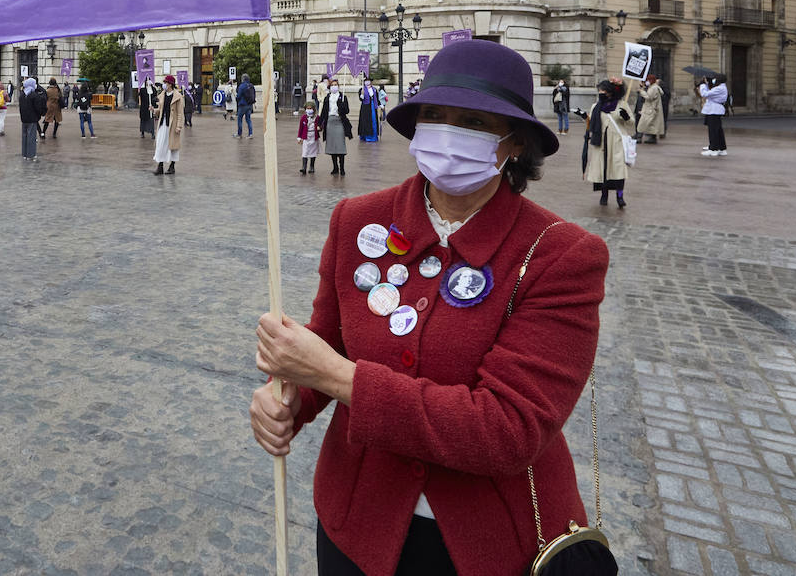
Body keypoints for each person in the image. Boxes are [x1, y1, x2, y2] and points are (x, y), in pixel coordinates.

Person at [249, 39, 608, 576]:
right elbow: (328, 342)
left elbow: (506, 430)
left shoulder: (561, 255)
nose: (447, 132)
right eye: (435, 115)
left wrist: (333, 375)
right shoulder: (356, 220)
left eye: (473, 120)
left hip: (489, 546)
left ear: (515, 144)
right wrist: (287, 401)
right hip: (358, 523)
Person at [583, 77, 635, 207]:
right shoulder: (596, 106)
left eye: (603, 90)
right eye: (599, 90)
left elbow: (632, 123)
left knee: (618, 170)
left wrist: (626, 117)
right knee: (603, 170)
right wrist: (584, 117)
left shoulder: (621, 104)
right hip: (601, 143)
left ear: (610, 91)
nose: (601, 93)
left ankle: (620, 196)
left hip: (616, 142)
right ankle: (604, 195)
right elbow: (592, 122)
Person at [151, 74, 184, 175]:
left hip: (172, 125)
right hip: (162, 124)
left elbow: (180, 113)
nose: (164, 84)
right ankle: (160, 166)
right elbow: (160, 110)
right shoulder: (162, 95)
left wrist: (179, 126)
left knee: (172, 146)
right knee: (160, 145)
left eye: (165, 83)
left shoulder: (178, 97)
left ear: (170, 84)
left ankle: (172, 166)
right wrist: (154, 110)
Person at [319, 78, 351, 176]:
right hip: (330, 122)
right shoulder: (327, 97)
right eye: (332, 85)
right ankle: (335, 167)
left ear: (338, 86)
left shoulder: (342, 97)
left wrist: (341, 106)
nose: (334, 86)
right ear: (330, 87)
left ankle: (342, 168)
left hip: (339, 122)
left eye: (336, 85)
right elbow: (324, 112)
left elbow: (347, 111)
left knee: (340, 146)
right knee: (332, 146)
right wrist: (319, 124)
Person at [698, 75, 728, 156]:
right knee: (718, 130)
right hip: (714, 109)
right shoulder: (720, 87)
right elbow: (710, 93)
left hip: (714, 110)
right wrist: (707, 85)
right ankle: (721, 147)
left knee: (713, 130)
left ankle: (714, 149)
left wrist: (703, 84)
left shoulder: (719, 88)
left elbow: (704, 94)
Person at [19, 77, 47, 159]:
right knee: (31, 137)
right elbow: (38, 108)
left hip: (24, 119)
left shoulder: (22, 95)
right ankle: (31, 154)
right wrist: (39, 115)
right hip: (32, 119)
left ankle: (24, 154)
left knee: (24, 137)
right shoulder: (34, 95)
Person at [636, 74, 666, 144]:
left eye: (647, 80)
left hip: (650, 109)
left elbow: (649, 97)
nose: (646, 82)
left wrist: (641, 91)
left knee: (643, 123)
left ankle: (639, 137)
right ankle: (652, 138)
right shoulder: (653, 87)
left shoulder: (654, 88)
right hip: (652, 109)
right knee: (652, 124)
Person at [297, 100, 320, 175]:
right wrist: (299, 137)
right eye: (307, 108)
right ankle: (304, 167)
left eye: (310, 108)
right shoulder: (303, 117)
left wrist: (320, 128)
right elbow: (300, 128)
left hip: (314, 136)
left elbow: (321, 125)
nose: (309, 110)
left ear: (313, 109)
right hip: (306, 137)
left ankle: (312, 167)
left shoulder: (317, 117)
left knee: (313, 152)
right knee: (305, 152)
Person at [357, 78, 380, 142]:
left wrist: (380, 104)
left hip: (373, 107)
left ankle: (373, 136)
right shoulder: (362, 89)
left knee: (373, 121)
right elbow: (361, 99)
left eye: (368, 81)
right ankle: (365, 136)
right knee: (366, 121)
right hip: (365, 108)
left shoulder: (374, 89)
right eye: (366, 81)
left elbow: (377, 98)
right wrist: (362, 95)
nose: (367, 82)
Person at [234, 73, 256, 138]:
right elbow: (254, 94)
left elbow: (239, 96)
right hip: (250, 105)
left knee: (239, 119)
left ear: (243, 79)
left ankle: (239, 134)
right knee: (248, 119)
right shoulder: (251, 85)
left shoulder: (242, 86)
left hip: (242, 105)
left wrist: (237, 99)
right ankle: (250, 134)